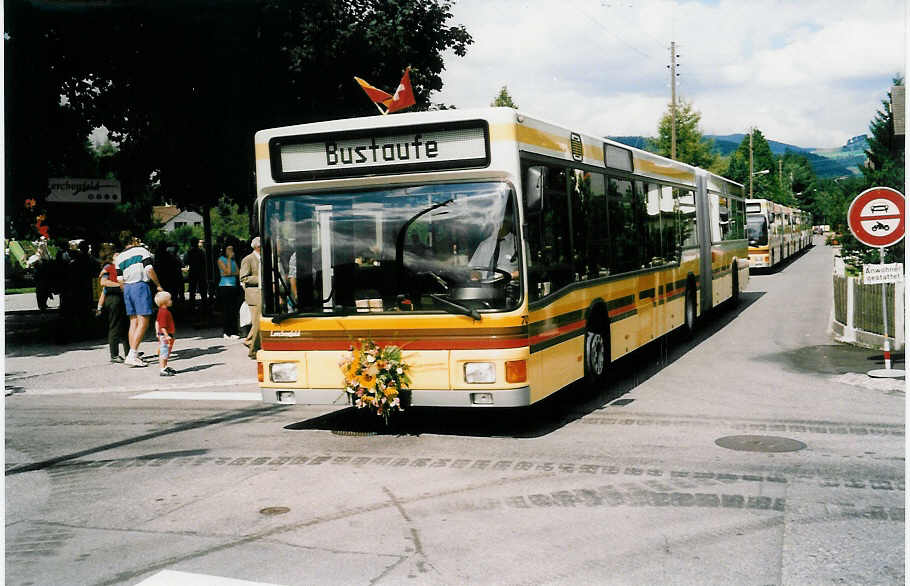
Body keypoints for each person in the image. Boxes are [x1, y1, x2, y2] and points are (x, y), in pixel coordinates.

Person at [116, 233, 164, 367]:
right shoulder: (142, 251)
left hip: (127, 288)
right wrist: (158, 284)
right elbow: (149, 269)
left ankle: (133, 354)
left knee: (133, 321)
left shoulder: (119, 257)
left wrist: (126, 289)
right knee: (144, 320)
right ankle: (132, 354)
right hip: (140, 286)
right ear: (132, 239)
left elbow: (119, 280)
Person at [96, 244, 128, 363]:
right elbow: (103, 282)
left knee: (126, 325)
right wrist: (121, 286)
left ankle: (129, 352)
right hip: (114, 298)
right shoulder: (109, 266)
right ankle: (114, 354)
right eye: (116, 254)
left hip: (120, 297)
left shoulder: (117, 266)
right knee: (115, 326)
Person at [469, 212, 519, 280]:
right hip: (484, 287)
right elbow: (473, 269)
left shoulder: (519, 244)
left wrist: (509, 277)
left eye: (502, 221)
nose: (498, 224)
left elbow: (526, 269)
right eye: (496, 221)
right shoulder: (484, 245)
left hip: (508, 286)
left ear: (509, 223)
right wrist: (475, 279)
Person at [239, 236, 262, 359]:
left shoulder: (264, 259)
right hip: (254, 296)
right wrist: (260, 279)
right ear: (258, 247)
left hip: (262, 294)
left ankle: (249, 341)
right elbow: (243, 277)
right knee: (257, 322)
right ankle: (252, 348)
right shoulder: (248, 259)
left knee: (259, 322)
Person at [217, 244, 241, 339]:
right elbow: (228, 272)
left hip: (234, 285)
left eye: (232, 249)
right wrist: (229, 260)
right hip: (225, 286)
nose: (231, 251)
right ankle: (227, 331)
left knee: (234, 310)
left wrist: (231, 261)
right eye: (229, 249)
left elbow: (237, 272)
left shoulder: (233, 260)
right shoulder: (221, 259)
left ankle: (234, 331)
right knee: (227, 310)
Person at [154, 290, 177, 377]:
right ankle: (162, 369)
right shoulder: (164, 312)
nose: (171, 301)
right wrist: (166, 335)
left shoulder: (161, 311)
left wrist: (157, 332)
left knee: (166, 352)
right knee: (164, 352)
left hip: (163, 335)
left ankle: (165, 366)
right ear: (165, 302)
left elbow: (157, 322)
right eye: (170, 299)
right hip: (165, 336)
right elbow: (163, 326)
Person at [184, 239, 207, 309]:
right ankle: (205, 305)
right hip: (201, 272)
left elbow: (186, 261)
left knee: (192, 290)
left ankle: (192, 306)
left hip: (192, 272)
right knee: (203, 290)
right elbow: (205, 261)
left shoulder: (189, 252)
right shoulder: (201, 252)